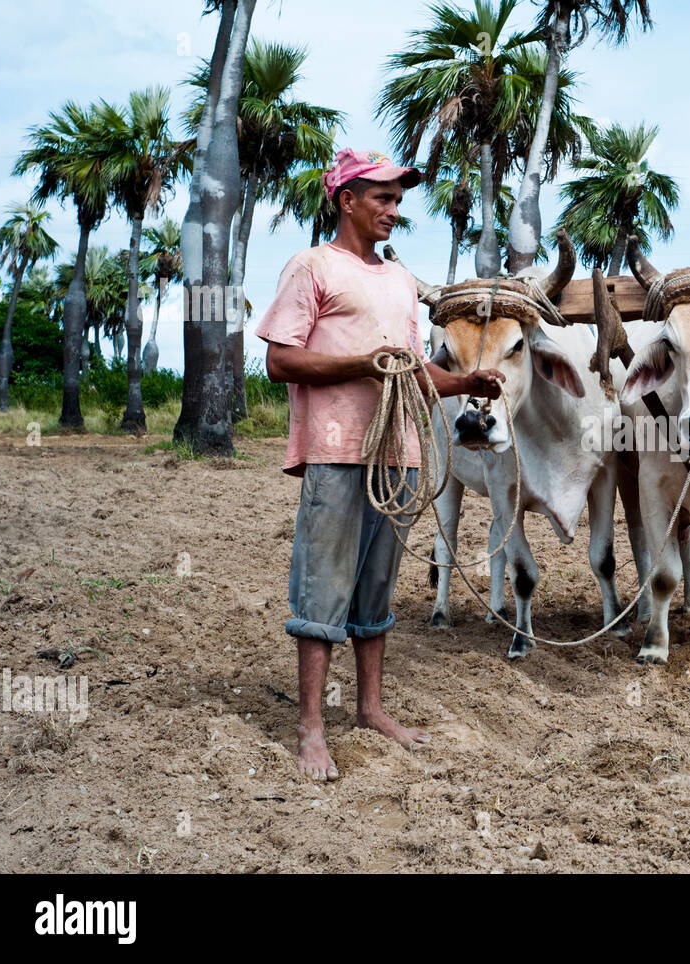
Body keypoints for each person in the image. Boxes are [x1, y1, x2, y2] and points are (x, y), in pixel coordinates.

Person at [255, 148, 504, 781]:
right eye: (382, 198)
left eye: (398, 199)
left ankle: (370, 709)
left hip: (400, 453)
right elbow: (281, 361)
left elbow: (413, 370)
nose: (394, 210)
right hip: (339, 452)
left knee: (376, 588)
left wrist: (465, 379)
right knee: (322, 588)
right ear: (346, 200)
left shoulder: (398, 280)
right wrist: (363, 363)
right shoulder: (311, 267)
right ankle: (311, 727)